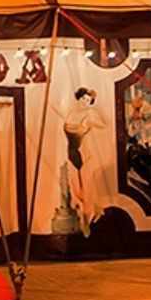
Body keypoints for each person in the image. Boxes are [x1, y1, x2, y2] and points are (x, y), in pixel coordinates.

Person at [62, 87, 106, 236]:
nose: (85, 103)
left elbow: (104, 125)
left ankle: (86, 219)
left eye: (89, 101)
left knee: (85, 189)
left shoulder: (89, 115)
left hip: (83, 154)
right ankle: (90, 213)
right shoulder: (70, 113)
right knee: (75, 188)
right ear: (78, 99)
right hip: (70, 154)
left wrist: (92, 120)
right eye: (83, 99)